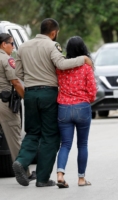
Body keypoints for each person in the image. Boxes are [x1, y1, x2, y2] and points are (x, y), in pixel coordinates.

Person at [13, 18, 93, 187]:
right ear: (53, 32)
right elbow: (62, 64)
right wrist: (83, 59)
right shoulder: (51, 45)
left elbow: (18, 73)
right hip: (47, 94)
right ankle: (42, 179)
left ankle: (21, 161)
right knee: (50, 136)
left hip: (30, 94)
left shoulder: (23, 46)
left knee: (32, 132)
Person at [56, 36, 97, 188]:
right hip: (82, 107)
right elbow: (92, 90)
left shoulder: (61, 69)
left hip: (64, 108)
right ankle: (81, 179)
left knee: (65, 144)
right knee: (82, 144)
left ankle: (60, 174)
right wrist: (88, 99)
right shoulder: (86, 68)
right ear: (83, 50)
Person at [0, 33, 36, 181]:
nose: (13, 47)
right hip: (4, 102)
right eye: (12, 44)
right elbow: (15, 82)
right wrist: (27, 100)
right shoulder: (6, 59)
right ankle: (24, 172)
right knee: (15, 137)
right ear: (3, 44)